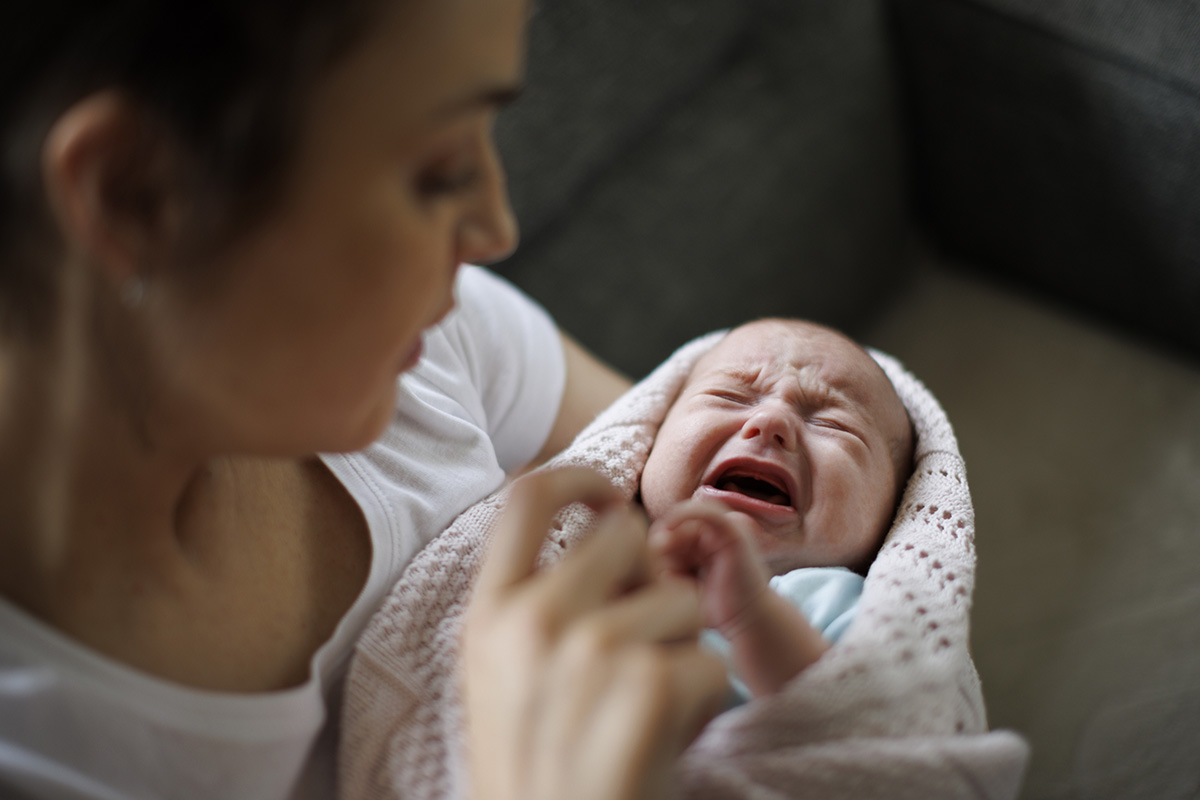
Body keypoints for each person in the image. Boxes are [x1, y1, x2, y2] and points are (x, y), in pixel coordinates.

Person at [0, 2, 728, 799]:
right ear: (137, 194)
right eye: (441, 170)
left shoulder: (420, 348)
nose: (496, 227)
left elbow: (825, 467)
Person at [641, 319, 914, 699]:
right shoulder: (600, 543)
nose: (771, 420)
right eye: (729, 396)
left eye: (833, 423)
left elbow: (863, 721)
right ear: (650, 437)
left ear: (897, 512)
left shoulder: (847, 603)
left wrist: (751, 614)